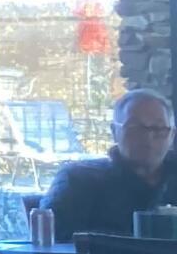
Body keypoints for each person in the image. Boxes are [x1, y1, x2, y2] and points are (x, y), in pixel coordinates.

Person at [47, 89, 177, 241]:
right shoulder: (78, 181)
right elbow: (51, 245)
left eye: (158, 128)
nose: (148, 137)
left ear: (172, 135)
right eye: (135, 127)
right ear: (114, 131)